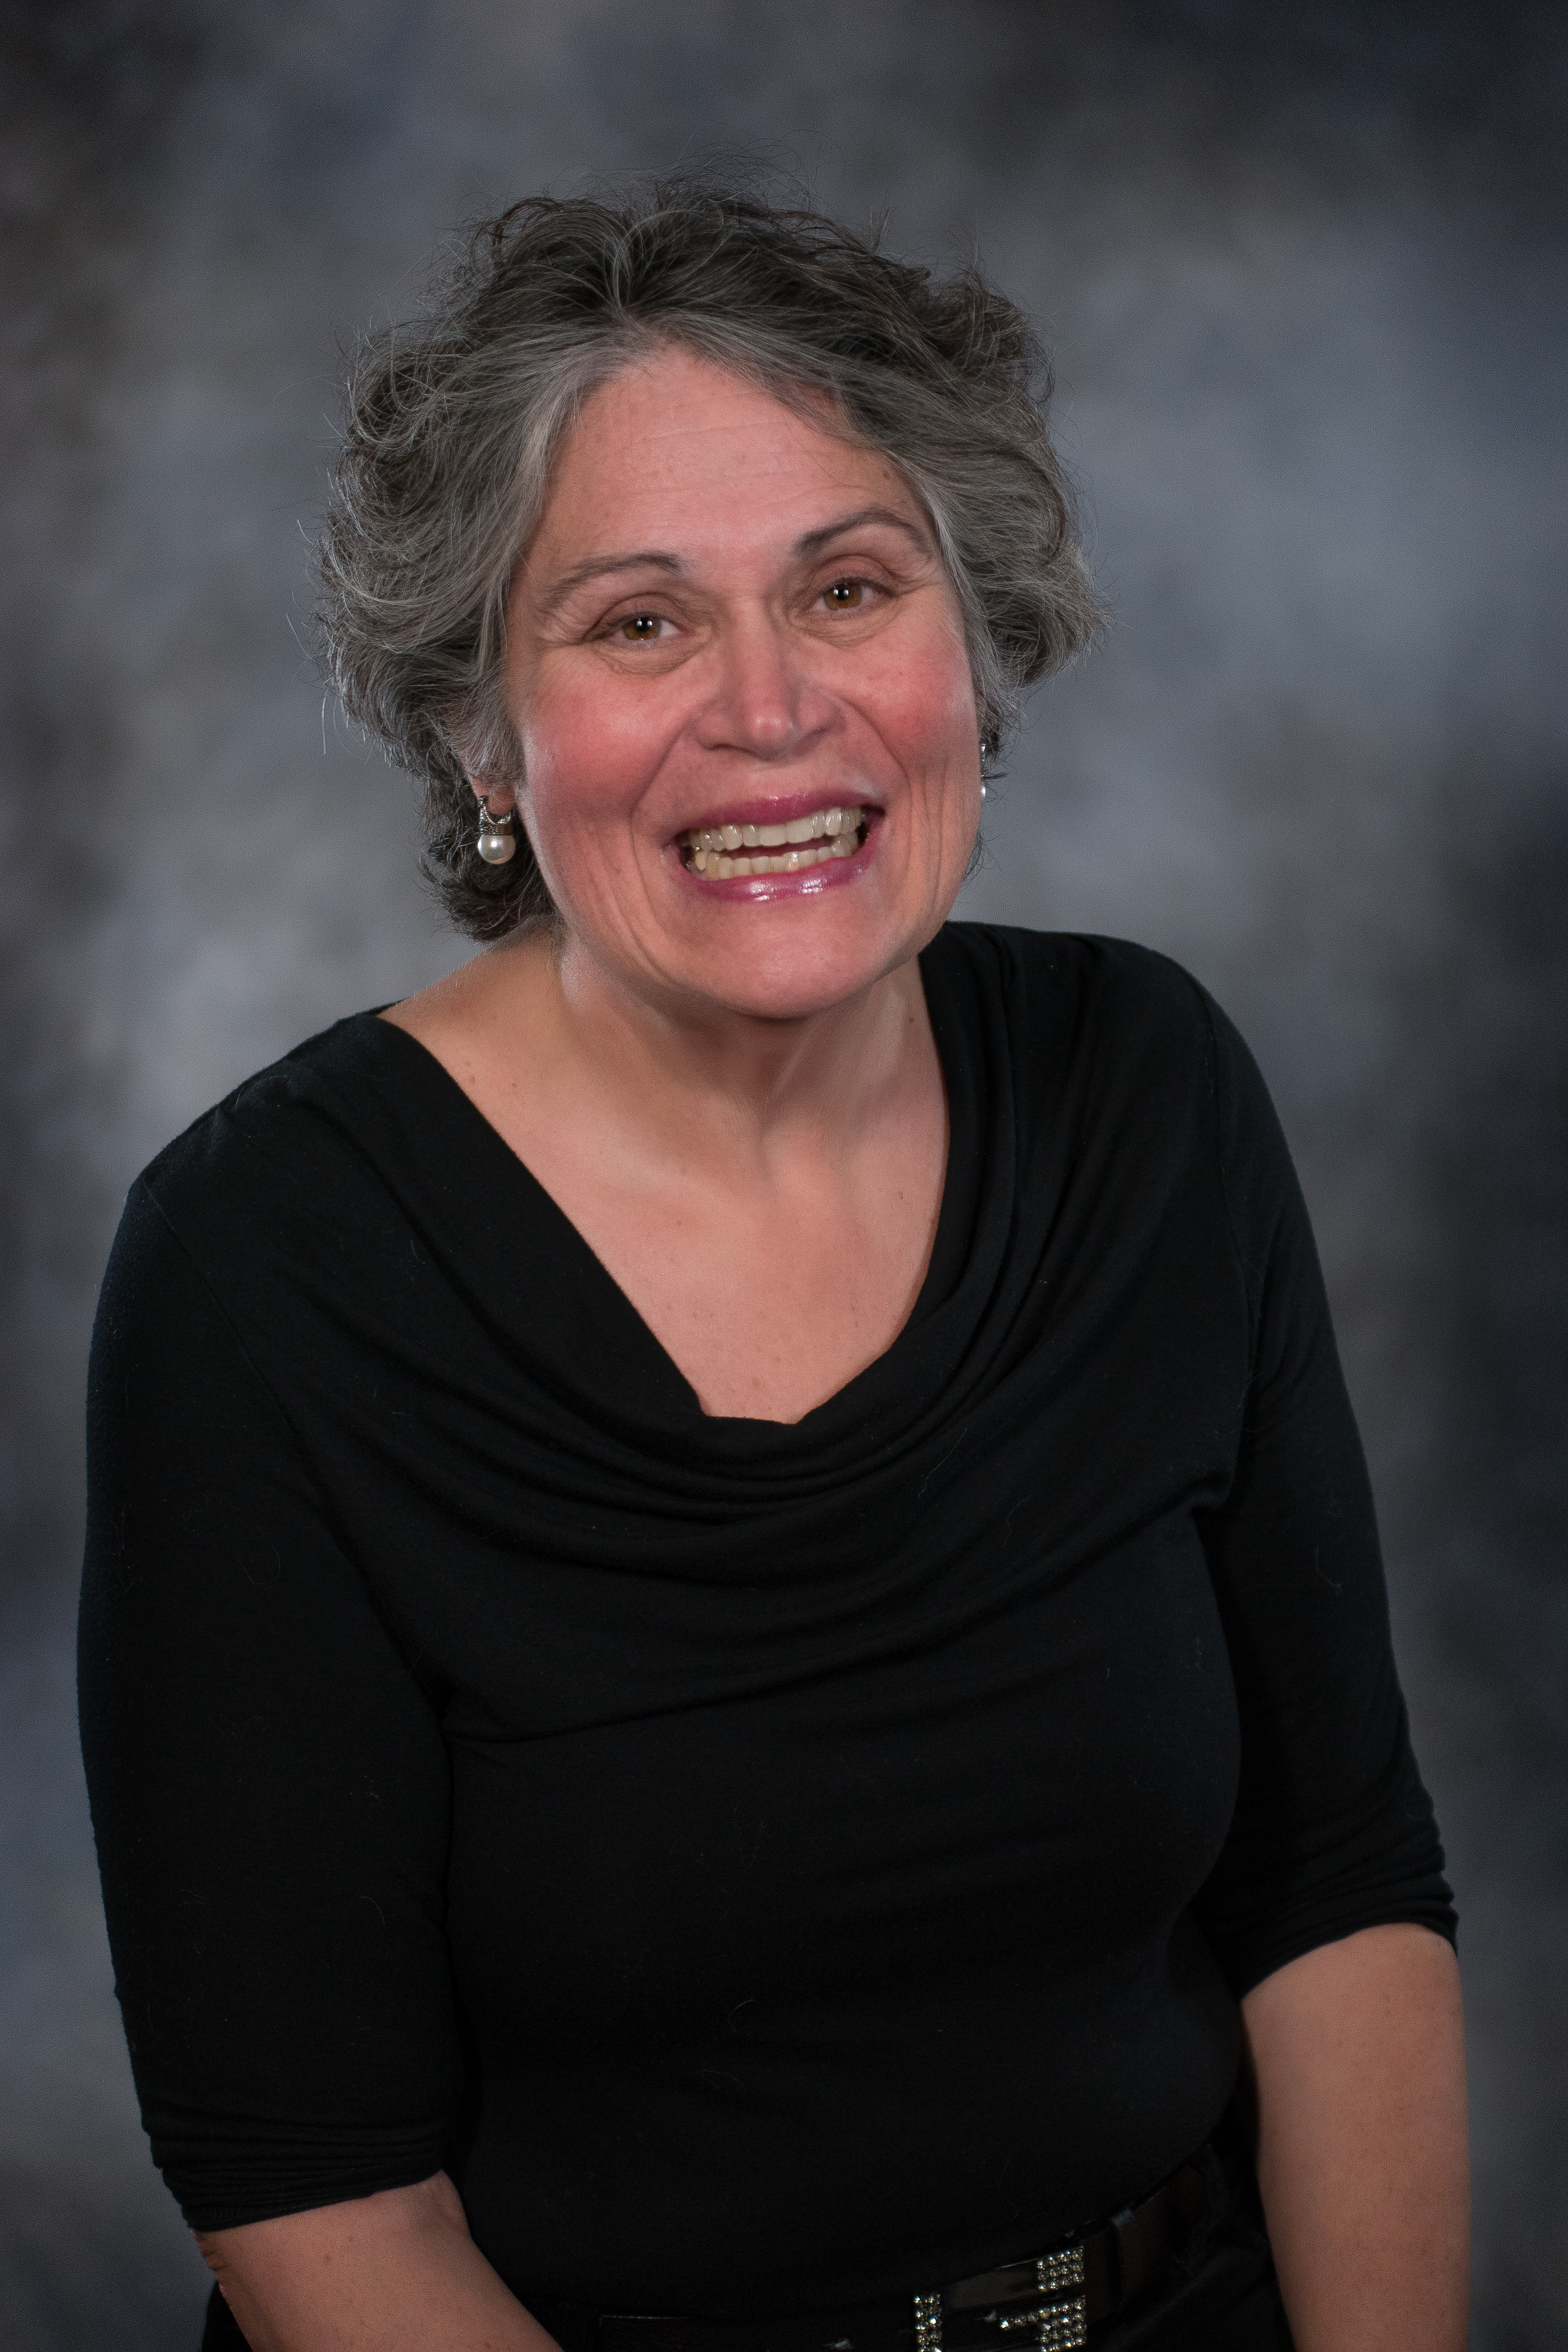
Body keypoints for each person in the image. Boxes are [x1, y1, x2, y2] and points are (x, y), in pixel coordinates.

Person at [79, 182, 1468, 2352]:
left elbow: (1344, 1894)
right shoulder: (266, 1266)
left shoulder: (1148, 1088)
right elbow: (313, 2195)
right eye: (638, 623)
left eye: (848, 585)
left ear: (969, 650)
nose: (770, 710)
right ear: (480, 740)